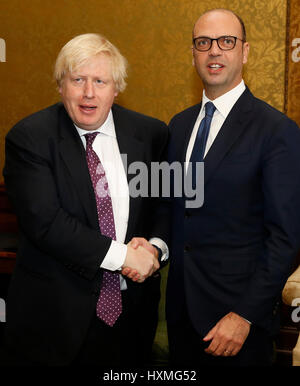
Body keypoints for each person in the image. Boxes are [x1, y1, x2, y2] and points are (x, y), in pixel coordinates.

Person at [1, 33, 168, 366]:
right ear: (61, 85)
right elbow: (46, 223)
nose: (88, 93)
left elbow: (163, 205)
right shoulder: (30, 138)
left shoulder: (150, 134)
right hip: (54, 321)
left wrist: (155, 248)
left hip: (131, 318)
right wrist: (124, 257)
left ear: (116, 88)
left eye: (100, 81)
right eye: (77, 79)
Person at [163, 8, 300, 366]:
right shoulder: (178, 127)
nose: (214, 51)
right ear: (192, 53)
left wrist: (244, 315)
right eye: (203, 42)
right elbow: (176, 211)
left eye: (227, 41)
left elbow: (285, 237)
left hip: (237, 327)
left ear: (245, 51)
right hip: (181, 318)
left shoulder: (276, 131)